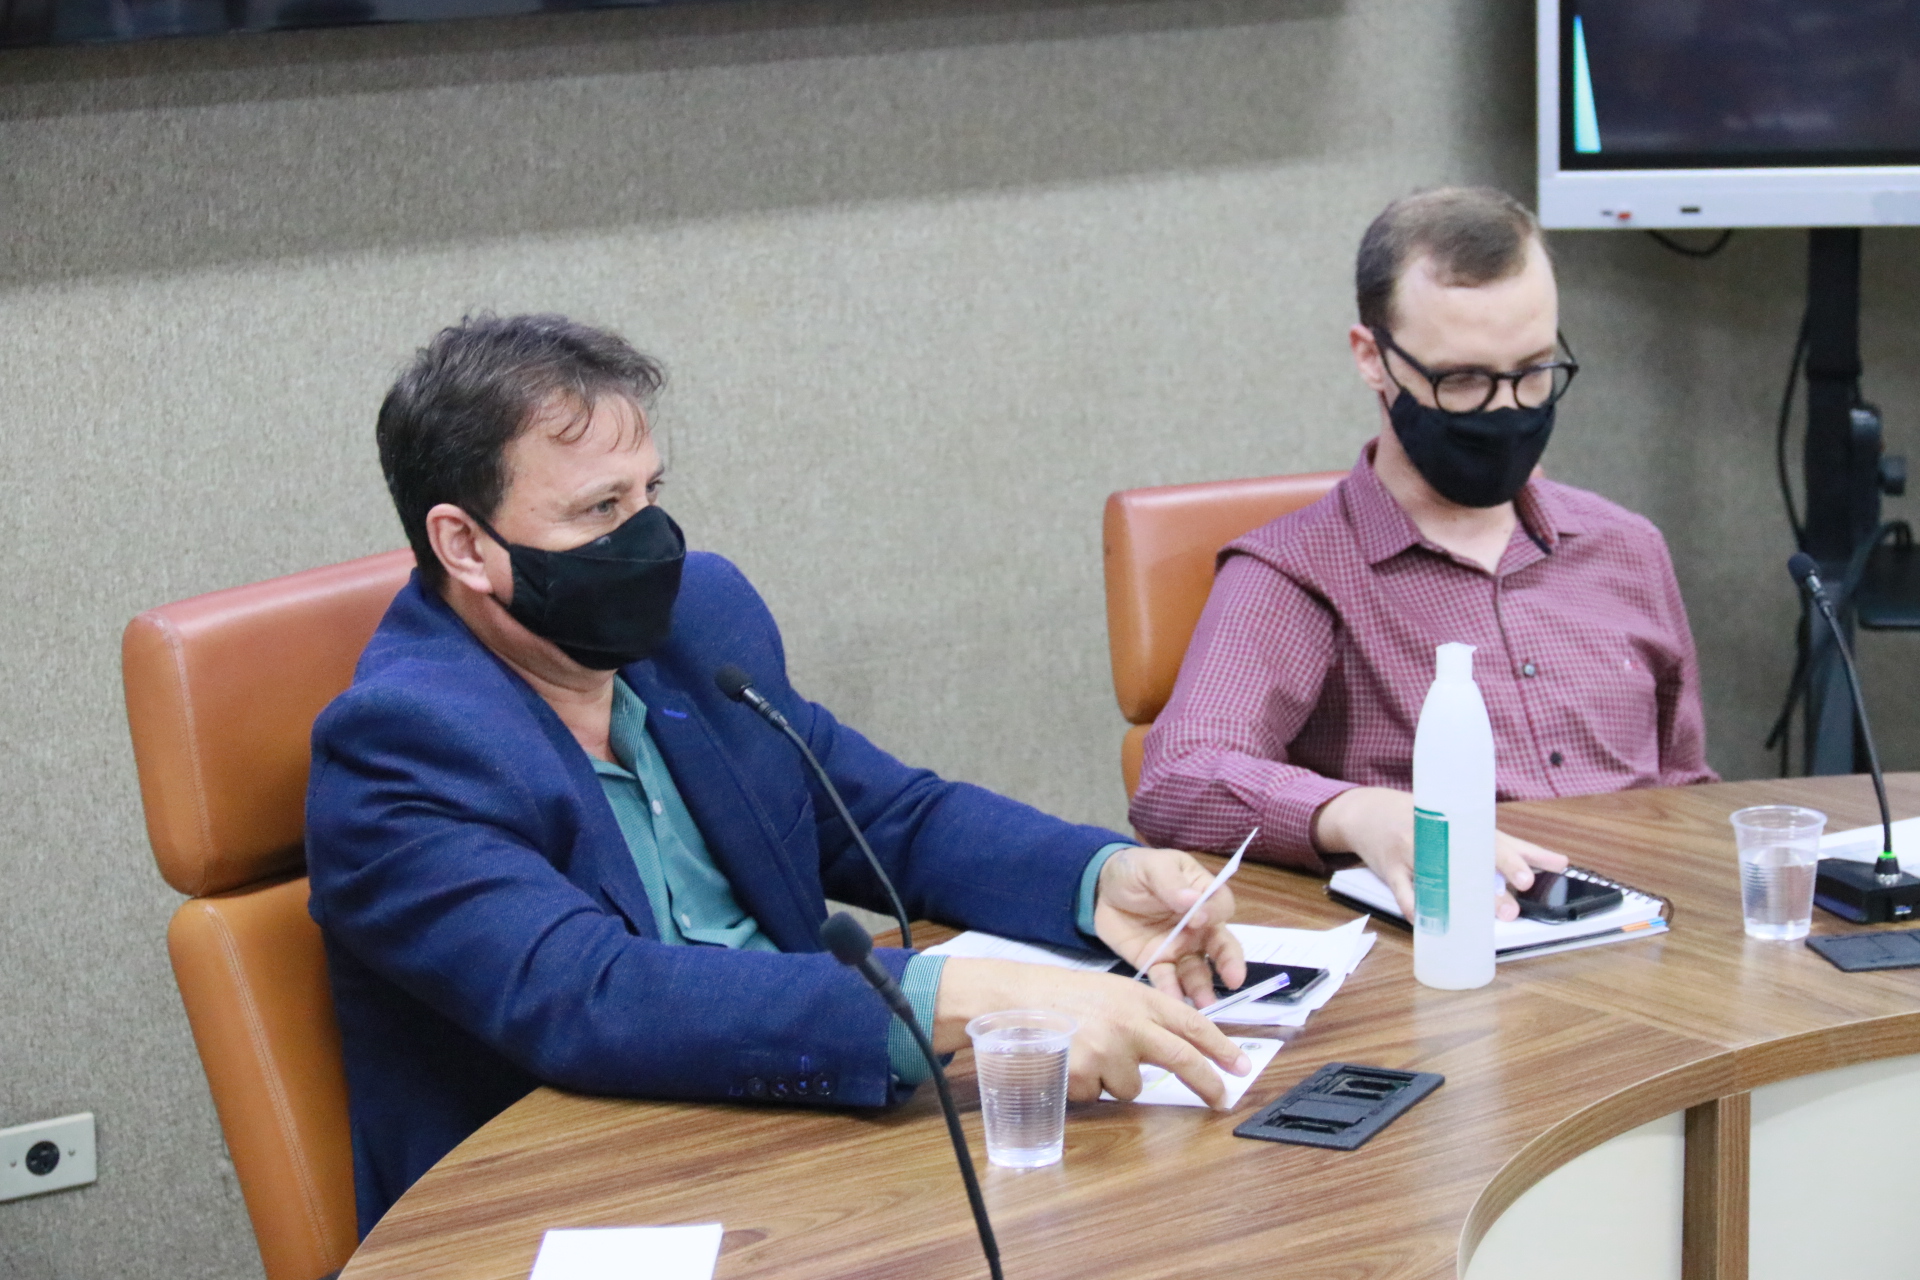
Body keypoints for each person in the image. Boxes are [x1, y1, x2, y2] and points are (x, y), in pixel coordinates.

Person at [306, 314, 1252, 1234]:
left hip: (811, 1147)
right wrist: (965, 999)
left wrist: (1096, 879)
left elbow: (888, 817)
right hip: (575, 1204)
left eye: (648, 492)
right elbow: (592, 996)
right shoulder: (401, 744)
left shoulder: (697, 624)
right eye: (600, 510)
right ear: (465, 545)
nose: (649, 539)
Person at [1130, 186, 1717, 919]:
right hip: (1452, 948)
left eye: (1534, 370)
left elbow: (1685, 790)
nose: (1506, 408)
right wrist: (1355, 813)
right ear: (1373, 358)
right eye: (1463, 379)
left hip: (1649, 944)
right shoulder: (1300, 572)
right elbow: (1177, 782)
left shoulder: (1626, 548)